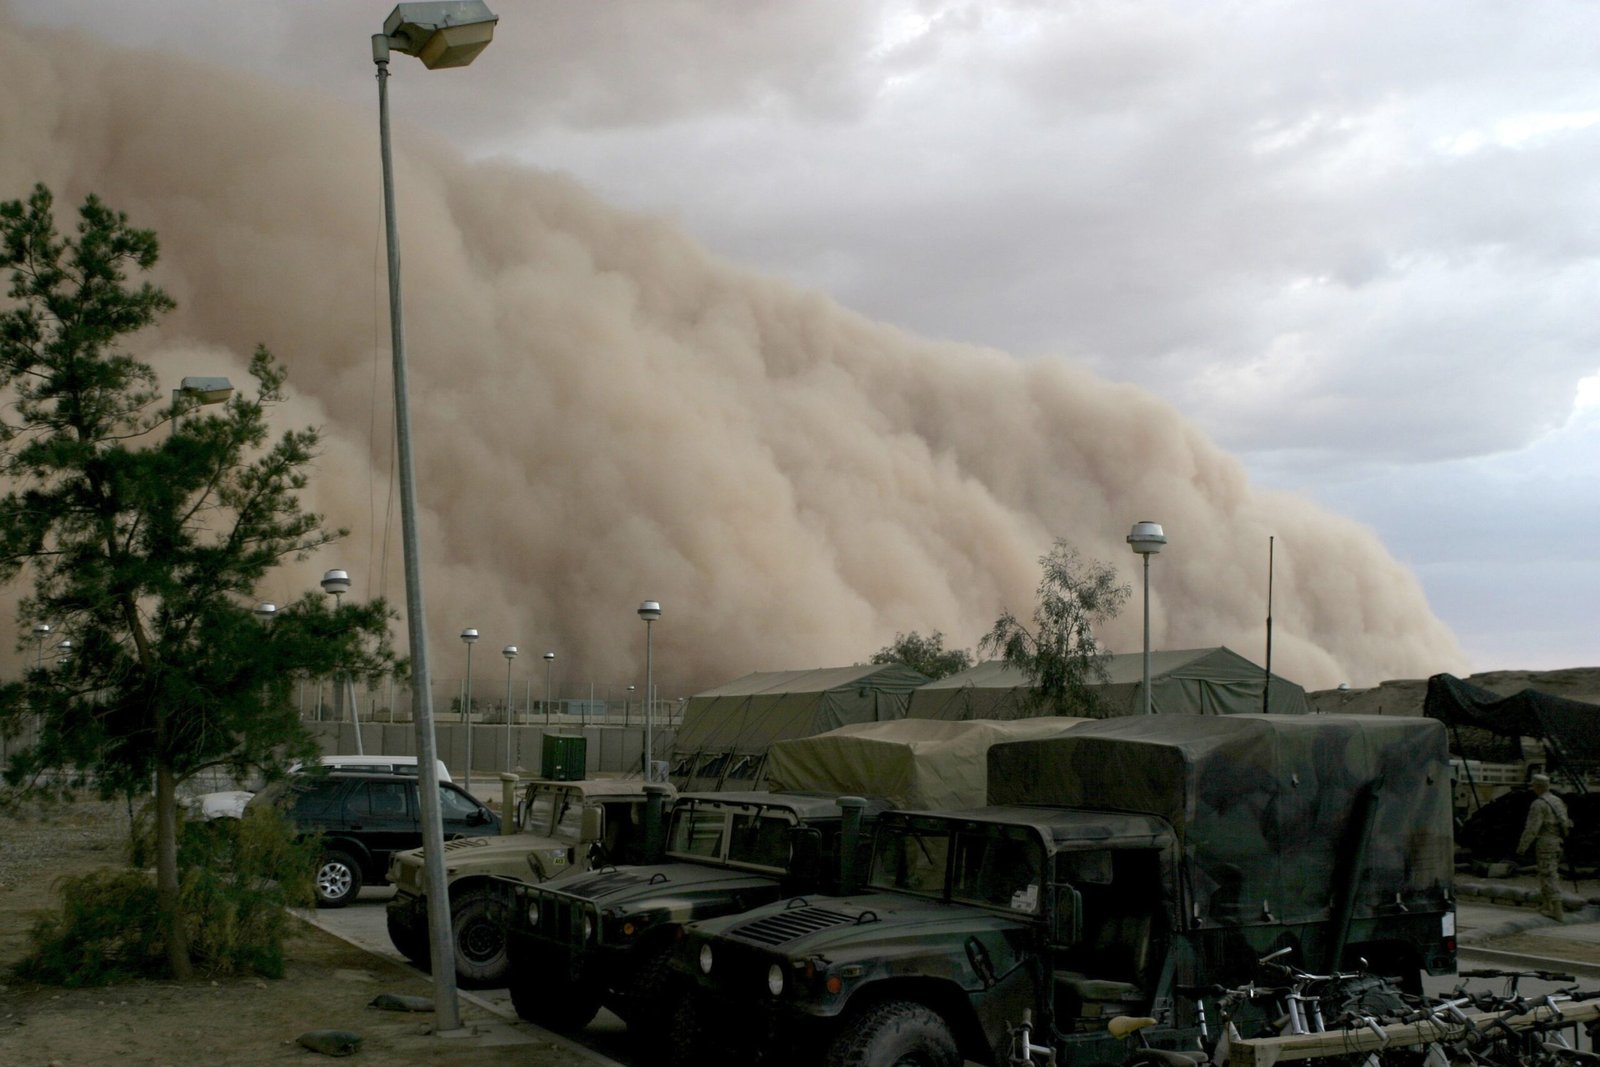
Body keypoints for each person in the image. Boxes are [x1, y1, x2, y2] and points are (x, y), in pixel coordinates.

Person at [1516, 773, 1572, 920]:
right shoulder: (1557, 801)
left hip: (1546, 841)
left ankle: (1557, 911)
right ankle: (1547, 904)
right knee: (1545, 871)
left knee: (1548, 874)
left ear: (1537, 787)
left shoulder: (1539, 804)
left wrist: (1522, 846)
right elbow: (1566, 823)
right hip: (1557, 841)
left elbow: (1532, 828)